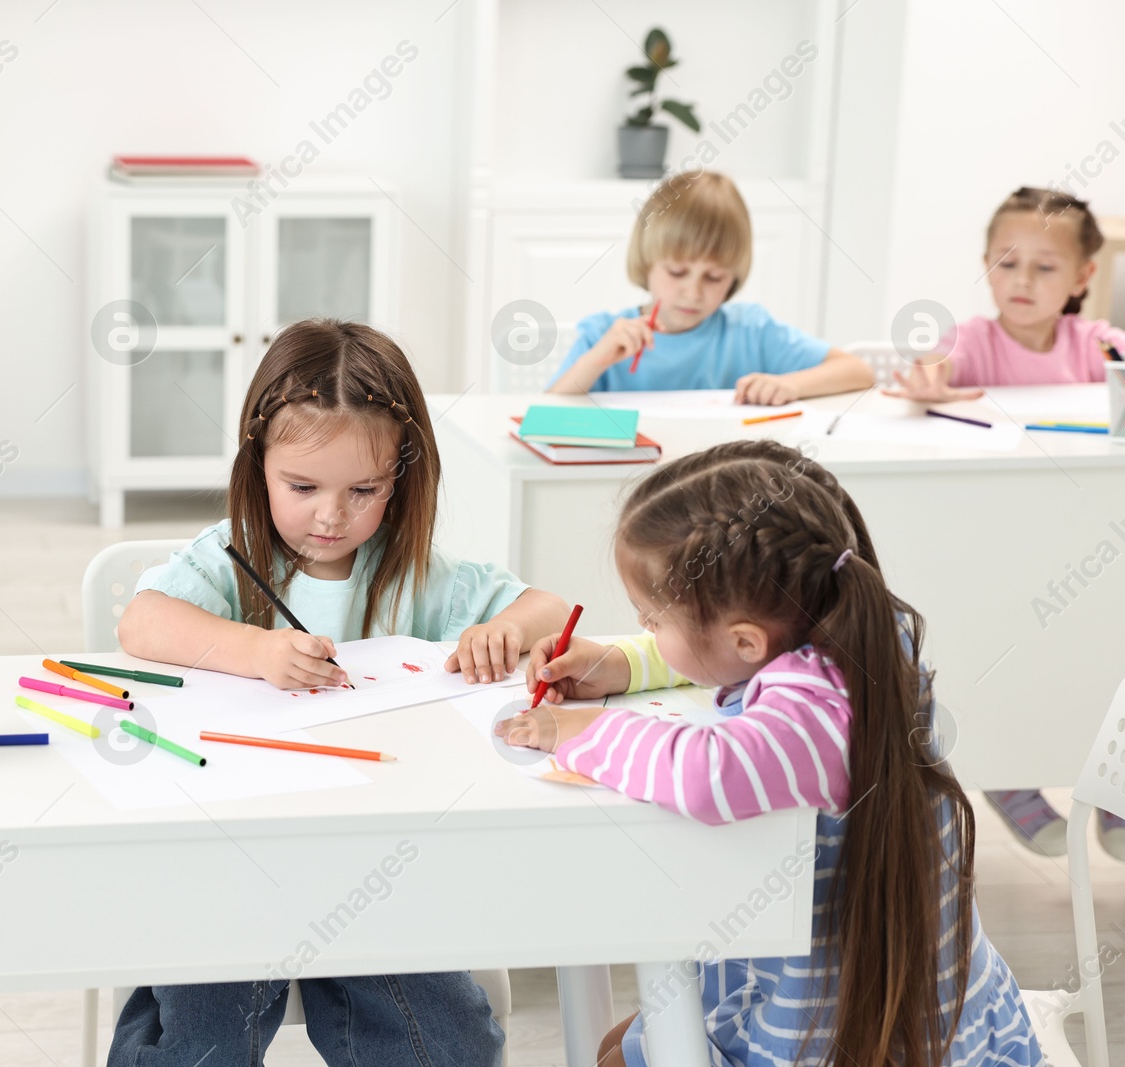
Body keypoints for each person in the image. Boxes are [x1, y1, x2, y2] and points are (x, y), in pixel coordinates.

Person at [112, 318, 568, 1067]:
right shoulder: (233, 558)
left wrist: (506, 630)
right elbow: (142, 620)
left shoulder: (416, 574)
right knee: (201, 1043)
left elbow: (547, 605)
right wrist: (254, 648)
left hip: (376, 867)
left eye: (364, 489)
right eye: (303, 486)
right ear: (258, 465)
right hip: (227, 861)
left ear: (402, 478)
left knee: (447, 1043)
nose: (330, 515)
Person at [500, 440, 1039, 1066]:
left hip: (849, 1018)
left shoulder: (813, 715)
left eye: (652, 622)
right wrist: (621, 663)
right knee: (627, 1039)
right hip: (865, 966)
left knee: (615, 1055)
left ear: (747, 638)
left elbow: (707, 774)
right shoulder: (849, 626)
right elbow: (729, 660)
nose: (649, 632)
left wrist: (581, 733)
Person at [886, 186, 1125, 858]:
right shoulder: (974, 339)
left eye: (1045, 268)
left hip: (1080, 535)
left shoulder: (1094, 343)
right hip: (998, 539)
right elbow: (935, 367)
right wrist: (926, 383)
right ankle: (1008, 773)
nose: (1021, 281)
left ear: (1083, 278)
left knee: (1096, 646)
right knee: (1004, 643)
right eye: (1006, 262)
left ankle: (1107, 782)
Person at [547, 170, 872, 404]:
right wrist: (594, 362)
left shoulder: (751, 331)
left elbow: (856, 370)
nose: (693, 292)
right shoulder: (603, 335)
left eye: (714, 277)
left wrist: (790, 384)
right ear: (646, 264)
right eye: (676, 272)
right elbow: (545, 413)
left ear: (733, 277)